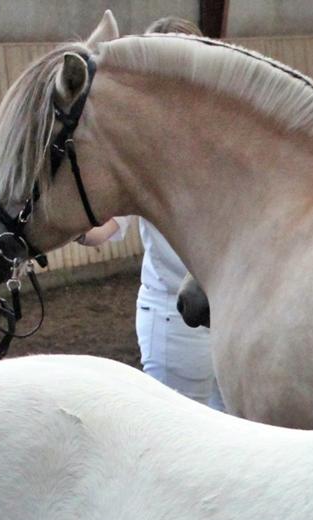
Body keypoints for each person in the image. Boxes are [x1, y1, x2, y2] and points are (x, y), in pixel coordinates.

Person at [78, 17, 219, 407]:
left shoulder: (225, 138)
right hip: (175, 321)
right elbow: (104, 225)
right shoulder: (142, 151)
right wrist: (69, 224)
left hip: (231, 317)